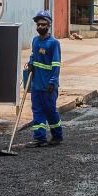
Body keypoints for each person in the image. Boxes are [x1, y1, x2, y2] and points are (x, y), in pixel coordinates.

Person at [23, 10, 63, 147]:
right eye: (38, 25)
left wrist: (53, 82)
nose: (40, 27)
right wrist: (30, 63)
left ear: (49, 25)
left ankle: (57, 136)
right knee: (37, 111)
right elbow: (33, 56)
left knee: (50, 111)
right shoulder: (35, 40)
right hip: (36, 85)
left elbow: (56, 64)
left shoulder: (53, 43)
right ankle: (39, 138)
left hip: (48, 86)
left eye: (43, 24)